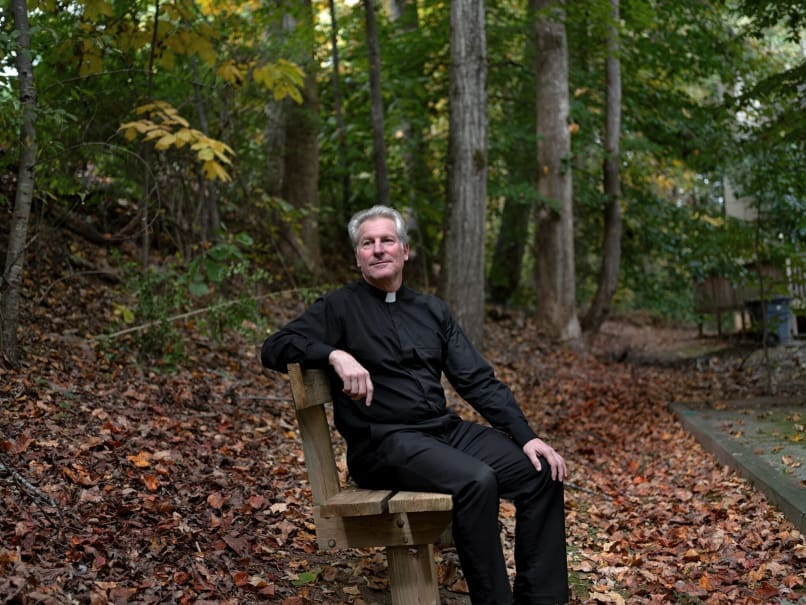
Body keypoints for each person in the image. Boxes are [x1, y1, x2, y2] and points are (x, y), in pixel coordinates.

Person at [261, 205, 569, 605]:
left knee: (542, 473)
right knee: (477, 480)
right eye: (367, 243)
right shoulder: (338, 307)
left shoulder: (432, 310)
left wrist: (526, 436)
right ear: (358, 257)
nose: (377, 249)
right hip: (384, 443)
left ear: (405, 250)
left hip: (441, 433)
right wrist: (333, 353)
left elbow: (476, 379)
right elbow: (273, 348)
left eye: (386, 240)